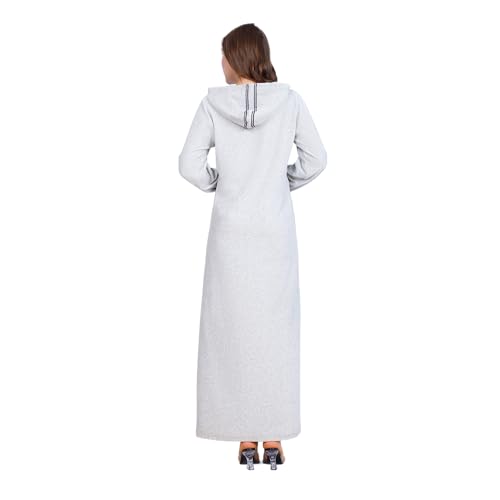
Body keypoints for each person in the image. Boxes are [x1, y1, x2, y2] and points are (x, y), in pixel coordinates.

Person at [178, 23, 327, 470]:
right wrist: (281, 183)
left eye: (223, 54)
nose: (220, 62)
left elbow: (188, 164)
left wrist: (220, 184)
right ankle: (274, 438)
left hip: (229, 236)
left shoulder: (212, 105)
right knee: (276, 334)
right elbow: (317, 159)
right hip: (275, 235)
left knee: (232, 333)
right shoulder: (289, 102)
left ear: (236, 58)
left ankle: (244, 438)